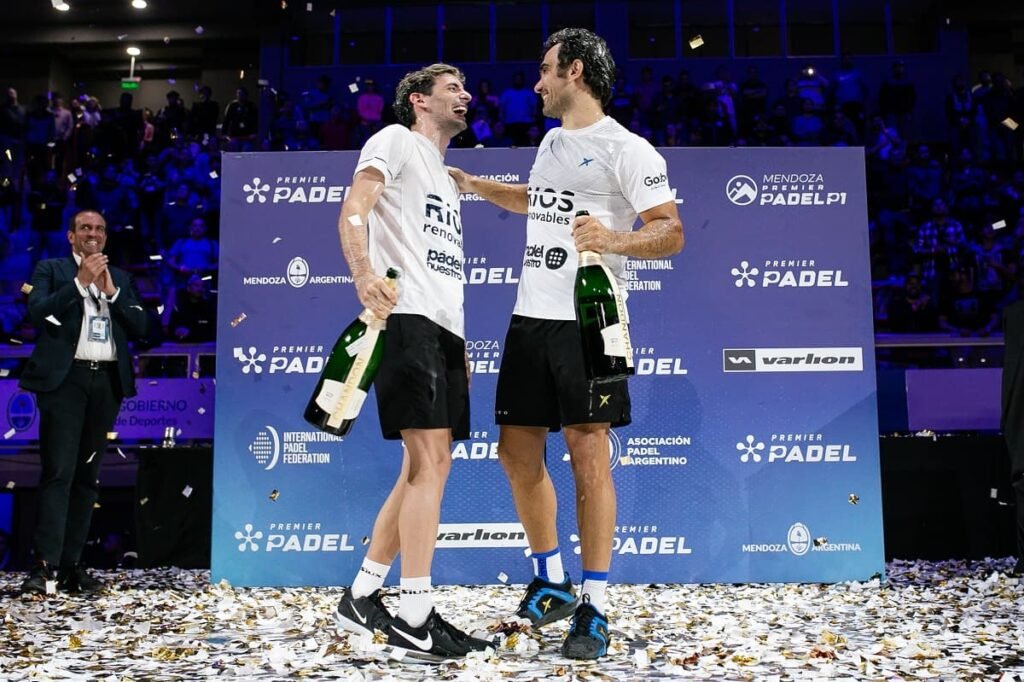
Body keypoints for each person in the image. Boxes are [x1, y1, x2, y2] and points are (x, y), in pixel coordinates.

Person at [447, 28, 683, 660]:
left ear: (574, 71)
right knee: (515, 452)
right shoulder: (552, 141)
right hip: (531, 318)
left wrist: (614, 239)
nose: (537, 84)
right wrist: (475, 186)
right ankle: (551, 580)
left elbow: (670, 231)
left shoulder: (628, 149)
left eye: (545, 71)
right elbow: (539, 201)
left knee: (587, 456)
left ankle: (595, 605)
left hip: (590, 318)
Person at [330, 63, 493, 662]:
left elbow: (441, 268)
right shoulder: (395, 139)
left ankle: (361, 594)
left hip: (443, 328)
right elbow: (355, 206)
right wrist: (362, 273)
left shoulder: (447, 179)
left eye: (464, 87)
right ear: (419, 101)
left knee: (421, 466)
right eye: (452, 88)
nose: (465, 94)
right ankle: (416, 614)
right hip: (406, 320)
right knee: (430, 463)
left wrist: (460, 343)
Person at [18, 209, 149, 595]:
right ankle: (45, 567)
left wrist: (113, 294)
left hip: (106, 382)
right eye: (85, 228)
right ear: (71, 236)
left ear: (106, 236)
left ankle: (72, 567)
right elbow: (38, 312)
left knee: (88, 478)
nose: (93, 233)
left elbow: (143, 327)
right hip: (65, 382)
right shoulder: (52, 269)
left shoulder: (120, 277)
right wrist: (80, 283)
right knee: (59, 472)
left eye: (100, 229)